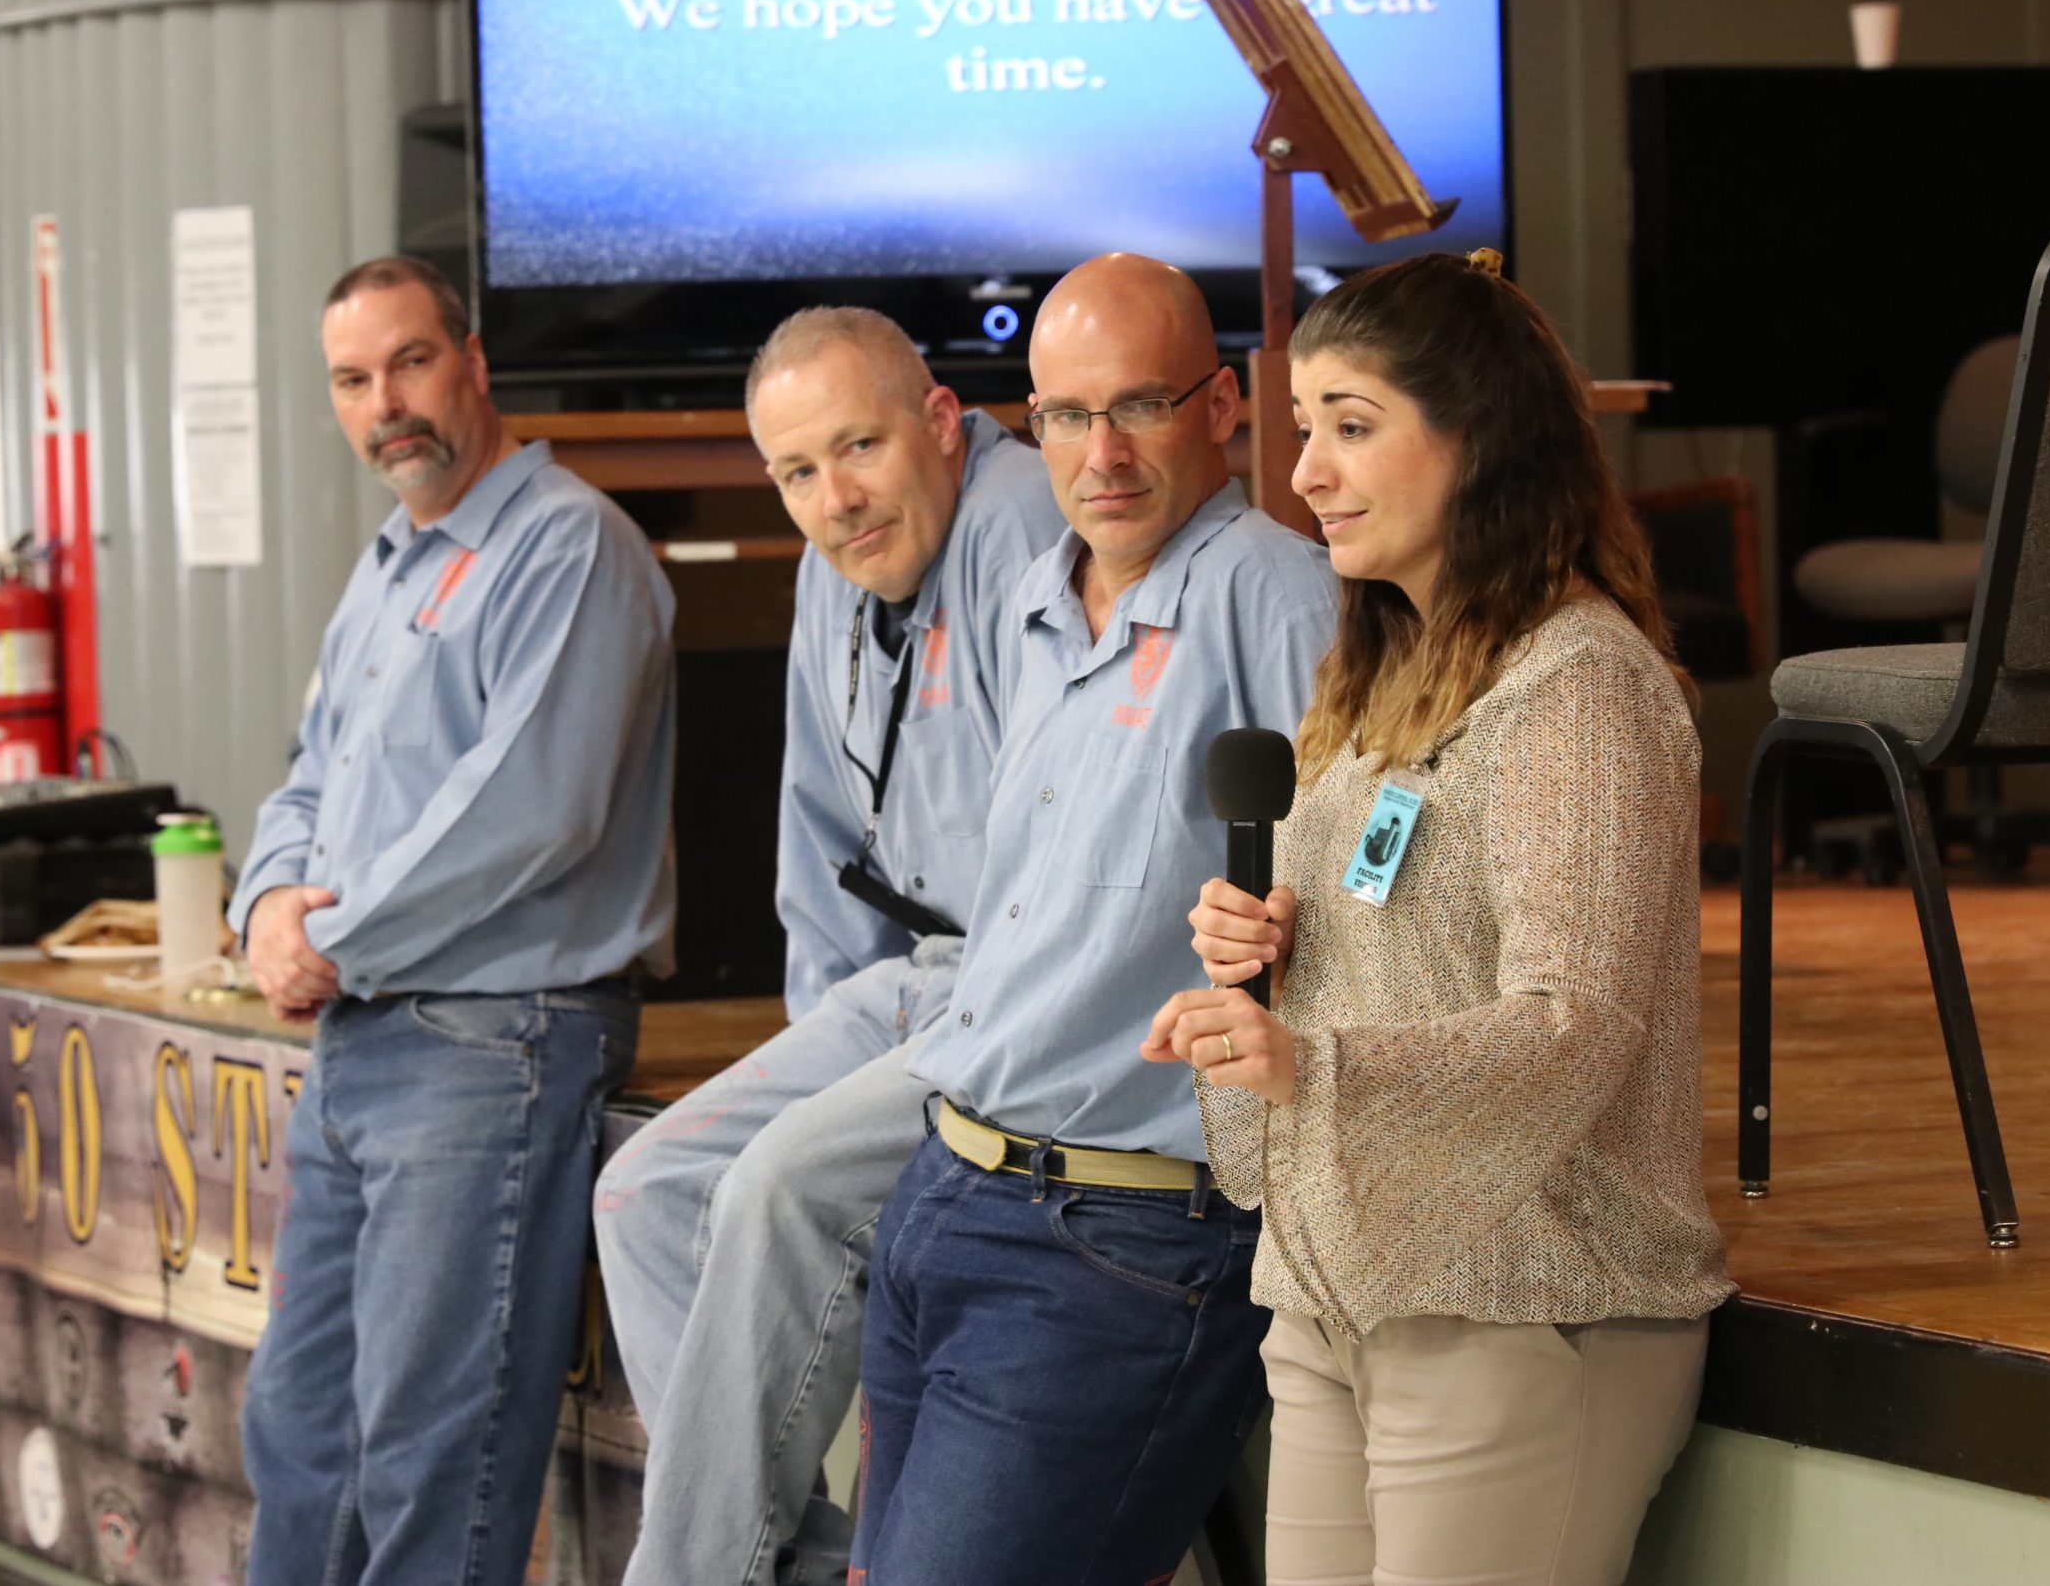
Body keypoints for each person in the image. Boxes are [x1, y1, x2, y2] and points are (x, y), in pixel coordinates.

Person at [1143, 249, 1733, 1586]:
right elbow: (1399, 929)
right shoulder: (1376, 677)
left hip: (1524, 1303)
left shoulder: (1579, 690)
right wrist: (1275, 954)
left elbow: (1574, 1024)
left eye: (1353, 426)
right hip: (1339, 1290)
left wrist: (1318, 1062)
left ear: (1483, 441)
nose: (1305, 472)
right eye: (1305, 429)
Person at [847, 254, 1340, 1582]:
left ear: (1226, 405)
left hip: (1121, 1238)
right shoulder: (1029, 593)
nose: (1101, 453)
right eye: (1066, 415)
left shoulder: (1275, 591)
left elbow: (1365, 893)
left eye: (1141, 406)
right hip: (948, 1188)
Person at [592, 307, 1065, 1586]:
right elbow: (817, 844)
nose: (836, 498)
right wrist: (815, 1059)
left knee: (767, 1190)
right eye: (797, 471)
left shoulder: (1025, 521)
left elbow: (1070, 857)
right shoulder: (833, 566)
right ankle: (790, 1564)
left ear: (942, 424)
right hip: (905, 987)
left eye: (858, 447)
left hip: (1027, 992)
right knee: (641, 1193)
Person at [230, 255, 676, 1586]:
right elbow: (311, 776)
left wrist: (331, 931)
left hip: (495, 1037)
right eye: (355, 380)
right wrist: (263, 904)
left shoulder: (566, 544)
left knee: (438, 1455)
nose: (388, 404)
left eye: (411, 363)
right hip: (364, 1041)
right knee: (300, 1428)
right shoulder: (388, 565)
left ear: (474, 364)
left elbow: (529, 806)